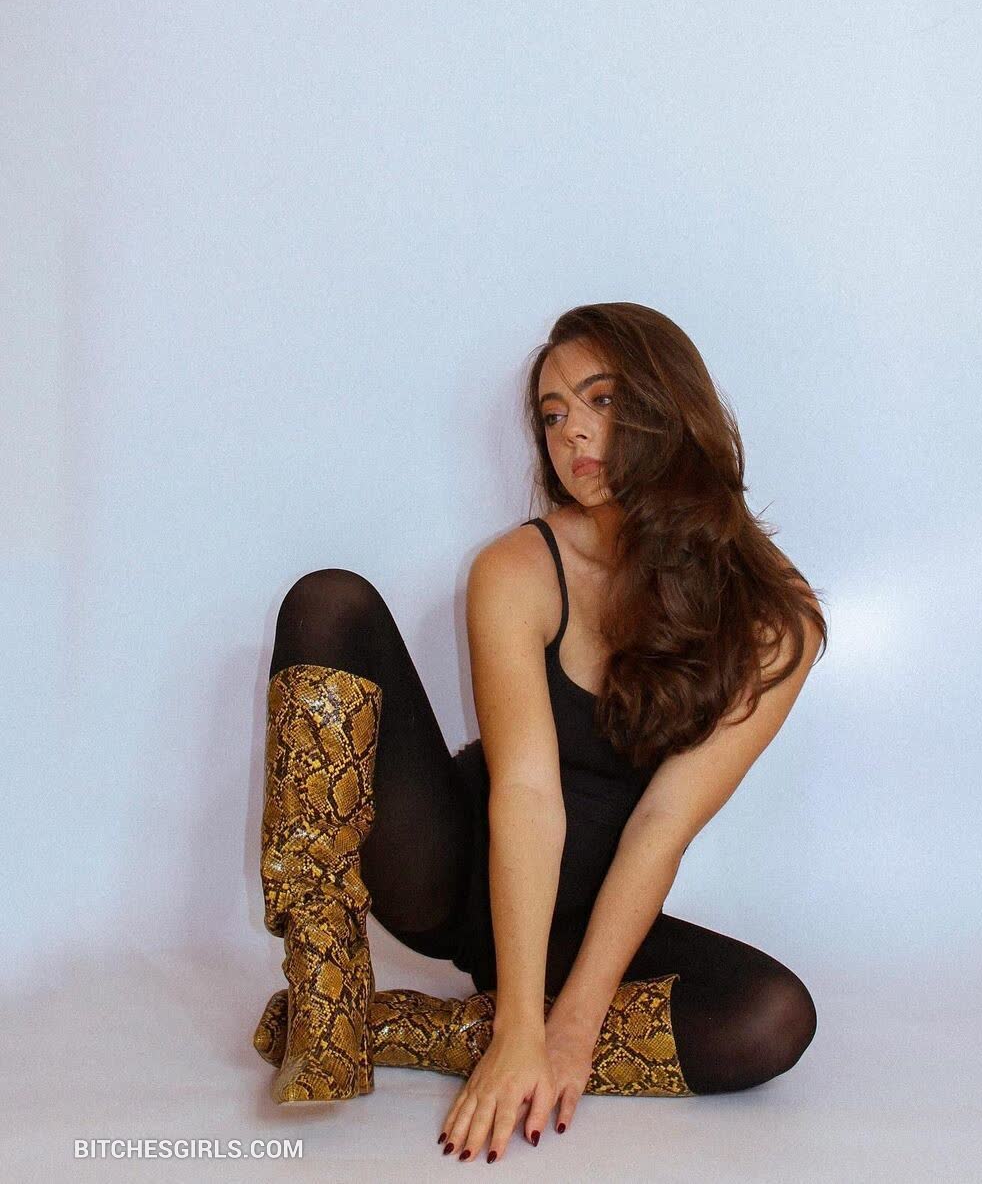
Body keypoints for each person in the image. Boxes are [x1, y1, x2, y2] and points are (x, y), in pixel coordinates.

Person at [253, 302, 828, 1165]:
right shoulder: (519, 568)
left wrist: (571, 1026)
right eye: (553, 415)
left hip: (583, 920)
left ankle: (408, 1028)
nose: (572, 434)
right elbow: (525, 790)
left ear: (671, 406)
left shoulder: (776, 621)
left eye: (601, 400)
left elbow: (661, 825)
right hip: (454, 869)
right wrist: (524, 1021)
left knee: (770, 1017)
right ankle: (329, 1003)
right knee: (328, 604)